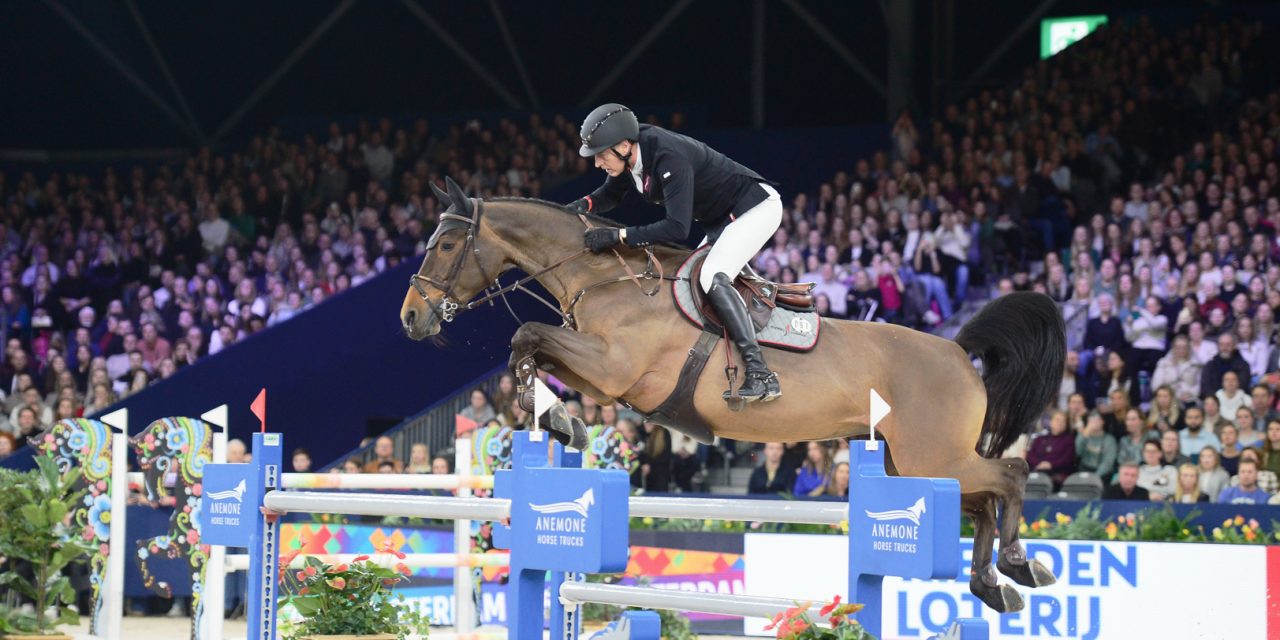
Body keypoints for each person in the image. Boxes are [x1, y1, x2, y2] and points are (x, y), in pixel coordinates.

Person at [569, 103, 782, 402]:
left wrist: (618, 236)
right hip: (723, 221)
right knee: (687, 283)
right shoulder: (630, 155)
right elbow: (610, 195)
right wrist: (577, 208)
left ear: (624, 146)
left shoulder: (669, 155)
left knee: (711, 277)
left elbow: (677, 229)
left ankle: (761, 373)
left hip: (755, 209)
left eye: (601, 155)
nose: (597, 163)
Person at [1027, 410, 1076, 488]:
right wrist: (1039, 464)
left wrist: (1051, 465)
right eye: (1057, 420)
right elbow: (1030, 456)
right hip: (1037, 469)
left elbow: (1067, 459)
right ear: (1050, 422)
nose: (1060, 423)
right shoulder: (1039, 439)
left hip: (1057, 472)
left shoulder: (1069, 440)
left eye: (1063, 421)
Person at [1151, 334, 1202, 404]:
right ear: (1173, 348)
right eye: (1178, 347)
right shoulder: (1163, 364)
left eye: (1184, 347)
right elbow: (1155, 386)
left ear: (1189, 348)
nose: (1181, 350)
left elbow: (1200, 385)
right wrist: (1171, 395)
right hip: (1168, 401)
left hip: (1190, 400)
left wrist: (1191, 393)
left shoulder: (1196, 364)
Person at [1075, 412, 1117, 481]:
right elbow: (1077, 452)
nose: (1093, 423)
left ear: (1102, 422)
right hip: (1084, 470)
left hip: (1101, 474)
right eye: (1091, 420)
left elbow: (1108, 463)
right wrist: (1084, 434)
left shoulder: (1109, 440)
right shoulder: (1083, 436)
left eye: (1096, 420)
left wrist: (1095, 477)